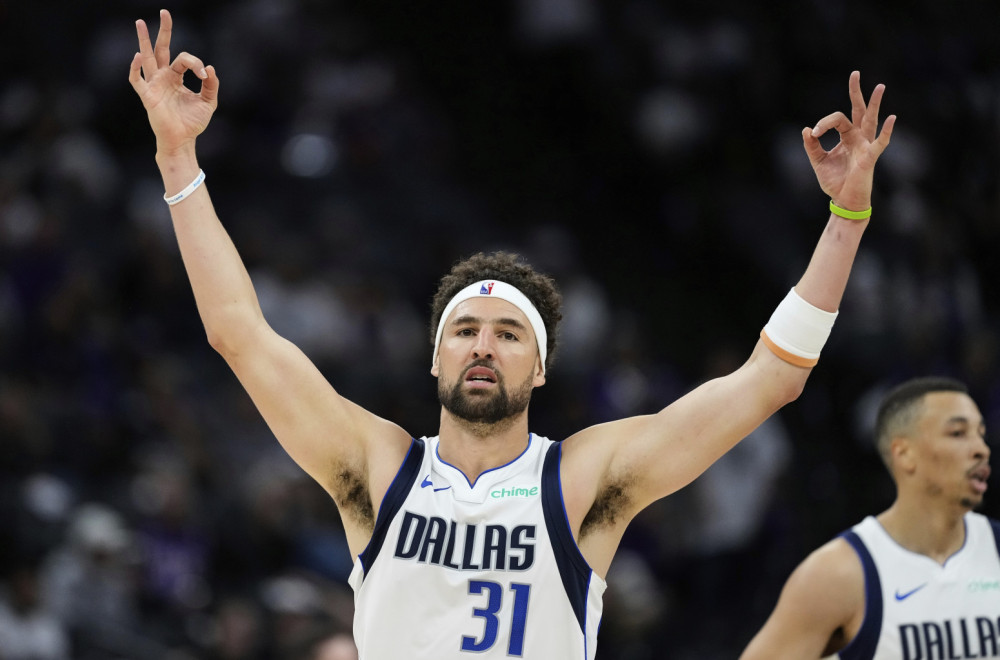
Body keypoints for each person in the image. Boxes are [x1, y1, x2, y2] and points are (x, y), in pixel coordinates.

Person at [128, 9, 894, 658]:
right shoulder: (376, 466)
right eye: (464, 330)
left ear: (541, 369)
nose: (484, 345)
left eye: (508, 334)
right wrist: (177, 158)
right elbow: (238, 333)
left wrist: (848, 217)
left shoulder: (583, 480)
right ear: (436, 359)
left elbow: (772, 377)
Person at [740, 377, 995, 660]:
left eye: (980, 433)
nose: (980, 449)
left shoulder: (994, 547)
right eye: (958, 433)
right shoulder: (839, 573)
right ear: (905, 454)